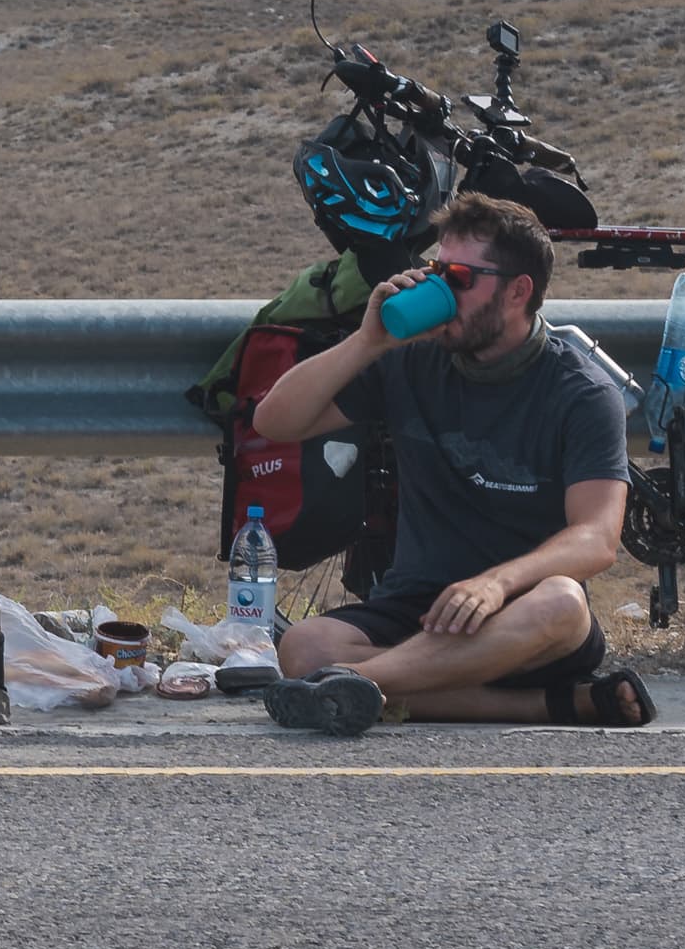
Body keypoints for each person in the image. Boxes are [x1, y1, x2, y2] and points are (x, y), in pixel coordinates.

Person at [251, 193, 653, 736]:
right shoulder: (411, 359)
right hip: (418, 605)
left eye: (459, 276)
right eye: (435, 270)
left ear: (518, 291)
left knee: (562, 602)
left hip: (520, 617)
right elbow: (275, 421)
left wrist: (495, 584)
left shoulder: (580, 392)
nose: (440, 288)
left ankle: (347, 680)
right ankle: (549, 707)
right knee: (302, 647)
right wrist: (368, 341)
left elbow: (597, 538)